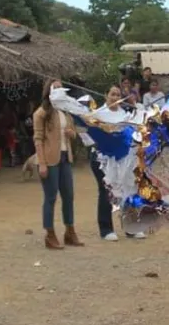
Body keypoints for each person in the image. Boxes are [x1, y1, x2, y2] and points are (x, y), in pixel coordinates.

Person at [33, 79, 82, 250]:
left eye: (62, 87)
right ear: (49, 91)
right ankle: (50, 234)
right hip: (49, 158)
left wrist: (72, 133)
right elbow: (38, 139)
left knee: (68, 195)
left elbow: (73, 133)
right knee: (51, 197)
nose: (60, 90)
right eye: (56, 88)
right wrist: (42, 163)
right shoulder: (41, 113)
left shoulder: (65, 112)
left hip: (64, 156)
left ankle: (70, 230)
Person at [88, 85, 126, 242]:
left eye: (118, 95)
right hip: (101, 159)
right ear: (106, 96)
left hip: (121, 159)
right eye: (112, 94)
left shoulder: (125, 114)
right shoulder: (98, 115)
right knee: (106, 191)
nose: (115, 97)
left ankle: (131, 226)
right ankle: (106, 229)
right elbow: (88, 137)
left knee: (126, 190)